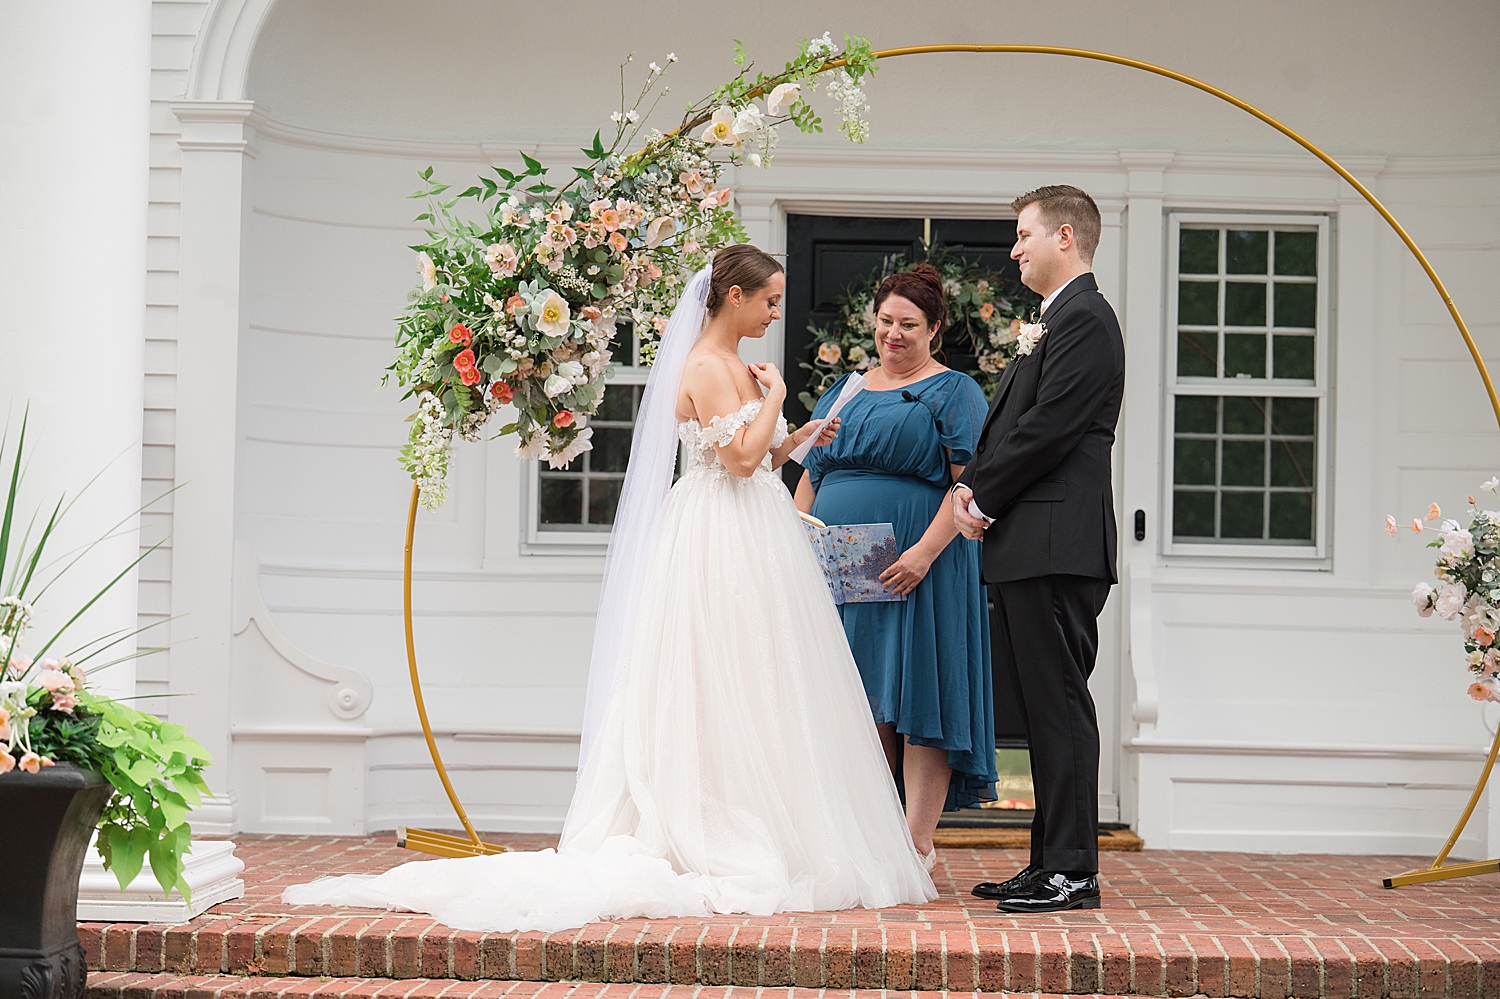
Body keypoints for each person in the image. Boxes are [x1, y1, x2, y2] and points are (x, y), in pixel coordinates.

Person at [282, 245, 936, 931]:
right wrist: (773, 398)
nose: (776, 311)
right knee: (718, 669)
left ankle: (773, 812)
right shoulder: (710, 365)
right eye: (770, 299)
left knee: (762, 670)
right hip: (720, 531)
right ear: (734, 297)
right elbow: (739, 465)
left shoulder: (736, 365)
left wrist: (796, 432)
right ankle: (719, 822)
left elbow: (759, 455)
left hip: (753, 529)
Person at [952, 186, 1125, 914]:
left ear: (1064, 236)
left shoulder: (1086, 318)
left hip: (1058, 542)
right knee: (1045, 709)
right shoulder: (1057, 321)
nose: (1014, 248)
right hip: (1036, 543)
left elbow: (1050, 427)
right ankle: (1046, 860)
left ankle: (1073, 870)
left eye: (1023, 235)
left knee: (1058, 705)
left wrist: (979, 494)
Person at [794, 263, 997, 863]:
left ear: (934, 328)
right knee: (865, 697)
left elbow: (969, 485)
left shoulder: (955, 391)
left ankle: (915, 843)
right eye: (886, 321)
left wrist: (922, 554)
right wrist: (794, 546)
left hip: (918, 558)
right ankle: (872, 837)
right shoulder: (847, 389)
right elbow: (810, 475)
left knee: (918, 692)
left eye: (909, 324)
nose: (894, 334)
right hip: (841, 560)